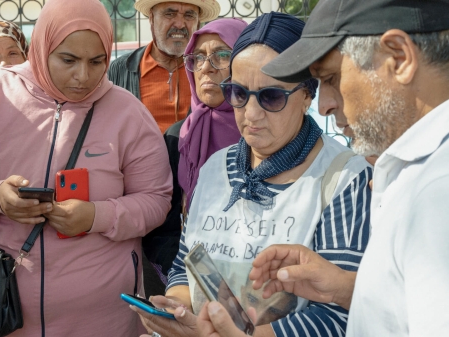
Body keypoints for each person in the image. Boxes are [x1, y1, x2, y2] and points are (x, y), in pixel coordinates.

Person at [198, 0, 449, 336]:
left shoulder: (438, 191)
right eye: (239, 93)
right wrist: (344, 289)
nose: (325, 104)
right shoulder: (415, 170)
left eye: (331, 78)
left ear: (399, 58)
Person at [0, 0, 172, 335]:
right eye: (68, 60)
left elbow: (155, 200)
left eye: (97, 61)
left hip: (103, 318)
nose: (82, 76)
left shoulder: (128, 113)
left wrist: (96, 215)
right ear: (42, 48)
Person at [131, 12, 372, 337]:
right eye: (239, 94)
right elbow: (188, 261)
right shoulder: (216, 167)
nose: (252, 114)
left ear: (306, 95)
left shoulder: (344, 176)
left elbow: (340, 314)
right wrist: (177, 308)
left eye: (271, 96)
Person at [143, 18, 247, 297]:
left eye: (222, 55)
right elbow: (162, 229)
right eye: (197, 57)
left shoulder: (262, 132)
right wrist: (193, 281)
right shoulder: (179, 138)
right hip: (190, 284)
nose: (206, 67)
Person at [108, 0, 220, 133]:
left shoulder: (212, 70)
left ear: (198, 24)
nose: (179, 24)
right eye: (170, 14)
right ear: (152, 19)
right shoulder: (120, 70)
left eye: (189, 15)